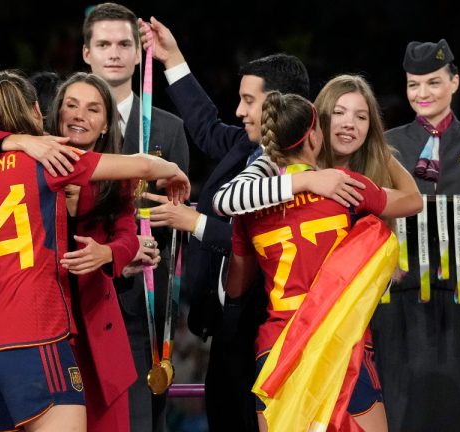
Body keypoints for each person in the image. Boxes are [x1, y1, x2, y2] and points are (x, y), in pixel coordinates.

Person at [0, 70, 189, 432]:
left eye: (93, 109)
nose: (80, 115)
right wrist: (174, 171)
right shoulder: (52, 160)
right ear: (42, 112)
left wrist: (111, 253)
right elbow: (142, 164)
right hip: (40, 330)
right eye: (72, 105)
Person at [140, 16, 336, 431]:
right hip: (228, 328)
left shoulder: (309, 173)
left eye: (249, 100)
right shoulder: (245, 149)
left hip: (270, 327)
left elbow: (271, 243)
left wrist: (194, 222)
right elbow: (206, 126)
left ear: (279, 103)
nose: (239, 110)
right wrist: (172, 58)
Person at [225, 91, 418, 431]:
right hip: (340, 346)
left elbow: (236, 287)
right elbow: (412, 201)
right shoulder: (346, 188)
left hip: (276, 350)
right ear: (315, 137)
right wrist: (382, 152)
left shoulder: (248, 209)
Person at [366, 39, 460, 432]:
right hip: (399, 288)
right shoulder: (386, 143)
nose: (422, 94)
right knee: (399, 401)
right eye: (413, 85)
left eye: (432, 83)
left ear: (454, 83)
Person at [82, 5, 190, 430]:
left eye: (124, 44)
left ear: (139, 53)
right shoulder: (63, 124)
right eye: (103, 44)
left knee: (144, 419)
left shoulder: (169, 129)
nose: (114, 54)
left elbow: (179, 216)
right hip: (84, 293)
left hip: (147, 302)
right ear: (87, 53)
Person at [212, 74, 422, 220]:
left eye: (361, 117)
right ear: (317, 124)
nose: (350, 124)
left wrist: (379, 149)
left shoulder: (364, 179)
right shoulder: (281, 155)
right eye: (338, 113)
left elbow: (414, 200)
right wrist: (308, 180)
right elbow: (224, 200)